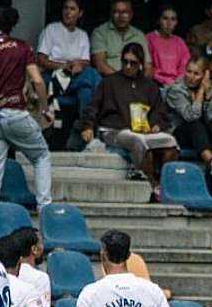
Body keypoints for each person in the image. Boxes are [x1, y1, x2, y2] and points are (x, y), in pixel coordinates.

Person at [0, 5, 52, 229]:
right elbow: (38, 81)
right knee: (41, 156)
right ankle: (46, 215)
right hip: (16, 113)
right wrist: (44, 109)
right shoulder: (22, 47)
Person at [75, 42, 177, 201]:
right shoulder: (109, 82)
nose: (128, 66)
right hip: (114, 130)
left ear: (141, 64)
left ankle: (168, 185)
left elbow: (159, 111)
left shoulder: (150, 86)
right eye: (125, 61)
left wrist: (157, 124)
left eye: (133, 63)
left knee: (170, 141)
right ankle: (153, 185)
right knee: (138, 141)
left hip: (144, 130)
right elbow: (93, 106)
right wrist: (87, 126)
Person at [164, 56, 212, 173]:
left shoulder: (208, 88)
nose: (191, 77)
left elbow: (211, 117)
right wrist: (201, 90)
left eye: (196, 74)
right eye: (189, 72)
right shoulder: (176, 90)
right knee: (195, 124)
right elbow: (191, 116)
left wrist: (207, 97)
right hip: (179, 134)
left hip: (201, 136)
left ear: (204, 75)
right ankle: (211, 162)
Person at [36, 0, 100, 118]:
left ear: (80, 13)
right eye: (65, 8)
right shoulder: (51, 29)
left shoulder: (82, 35)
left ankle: (86, 127)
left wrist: (78, 65)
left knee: (86, 90)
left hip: (74, 76)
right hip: (52, 76)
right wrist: (64, 66)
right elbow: (41, 60)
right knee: (90, 77)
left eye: (72, 9)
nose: (68, 12)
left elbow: (86, 61)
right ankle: (107, 94)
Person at [89, 0, 151, 77]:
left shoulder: (139, 35)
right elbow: (100, 65)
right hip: (109, 82)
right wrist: (121, 82)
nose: (121, 16)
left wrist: (140, 82)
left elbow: (148, 67)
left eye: (125, 12)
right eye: (116, 12)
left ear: (131, 14)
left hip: (136, 83)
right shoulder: (99, 32)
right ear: (111, 14)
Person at [145, 5, 190, 87]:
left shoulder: (179, 42)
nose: (169, 23)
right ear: (158, 20)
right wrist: (165, 81)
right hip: (156, 84)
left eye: (173, 19)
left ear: (176, 22)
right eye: (165, 18)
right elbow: (149, 68)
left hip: (178, 85)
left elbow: (185, 67)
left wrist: (177, 83)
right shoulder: (149, 39)